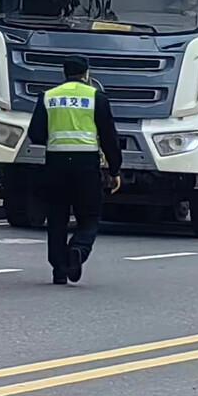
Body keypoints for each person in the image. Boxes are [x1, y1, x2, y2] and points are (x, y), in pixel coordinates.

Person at [26, 55, 122, 285]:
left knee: (57, 217)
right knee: (89, 217)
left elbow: (36, 134)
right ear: (87, 74)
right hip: (86, 165)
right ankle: (78, 249)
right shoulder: (96, 98)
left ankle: (59, 270)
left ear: (64, 73)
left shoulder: (48, 97)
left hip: (55, 165)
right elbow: (109, 136)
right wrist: (115, 170)